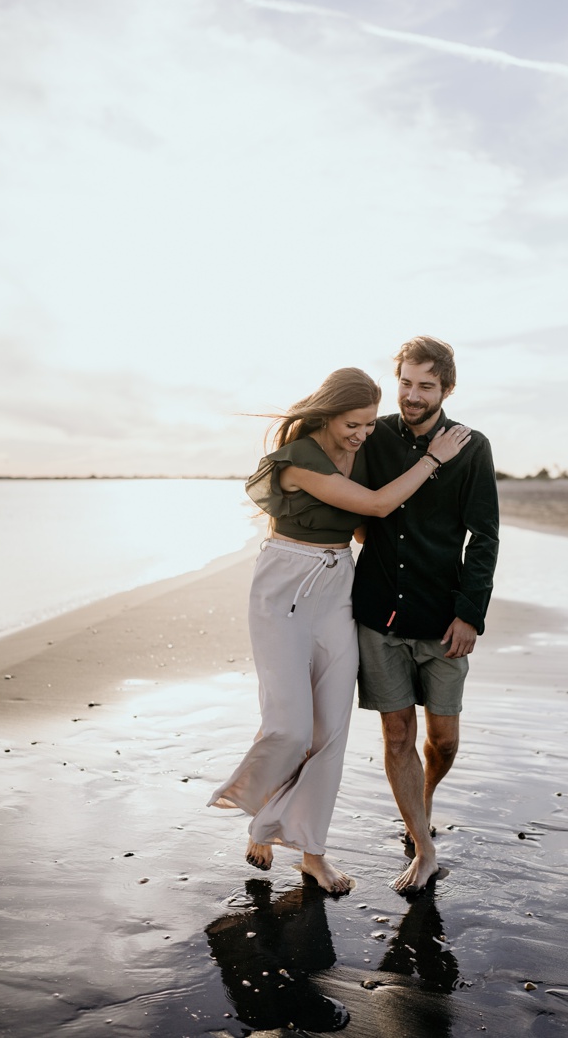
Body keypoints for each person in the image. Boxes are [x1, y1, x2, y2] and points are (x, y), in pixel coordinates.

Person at [209, 368, 470, 894]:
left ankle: (313, 855)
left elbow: (363, 528)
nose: (362, 433)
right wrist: (433, 459)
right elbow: (374, 506)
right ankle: (262, 811)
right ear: (328, 415)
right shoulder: (302, 455)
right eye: (353, 424)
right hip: (284, 585)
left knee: (330, 731)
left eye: (371, 424)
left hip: (338, 586)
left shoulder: (363, 452)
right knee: (289, 726)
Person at [351, 336, 500, 894]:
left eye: (426, 387)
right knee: (396, 735)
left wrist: (470, 615)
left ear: (447, 389)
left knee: (445, 741)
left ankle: (425, 796)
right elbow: (359, 506)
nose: (412, 397)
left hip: (443, 619)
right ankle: (422, 840)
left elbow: (483, 537)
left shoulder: (471, 446)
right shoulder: (376, 436)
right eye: (406, 384)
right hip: (378, 615)